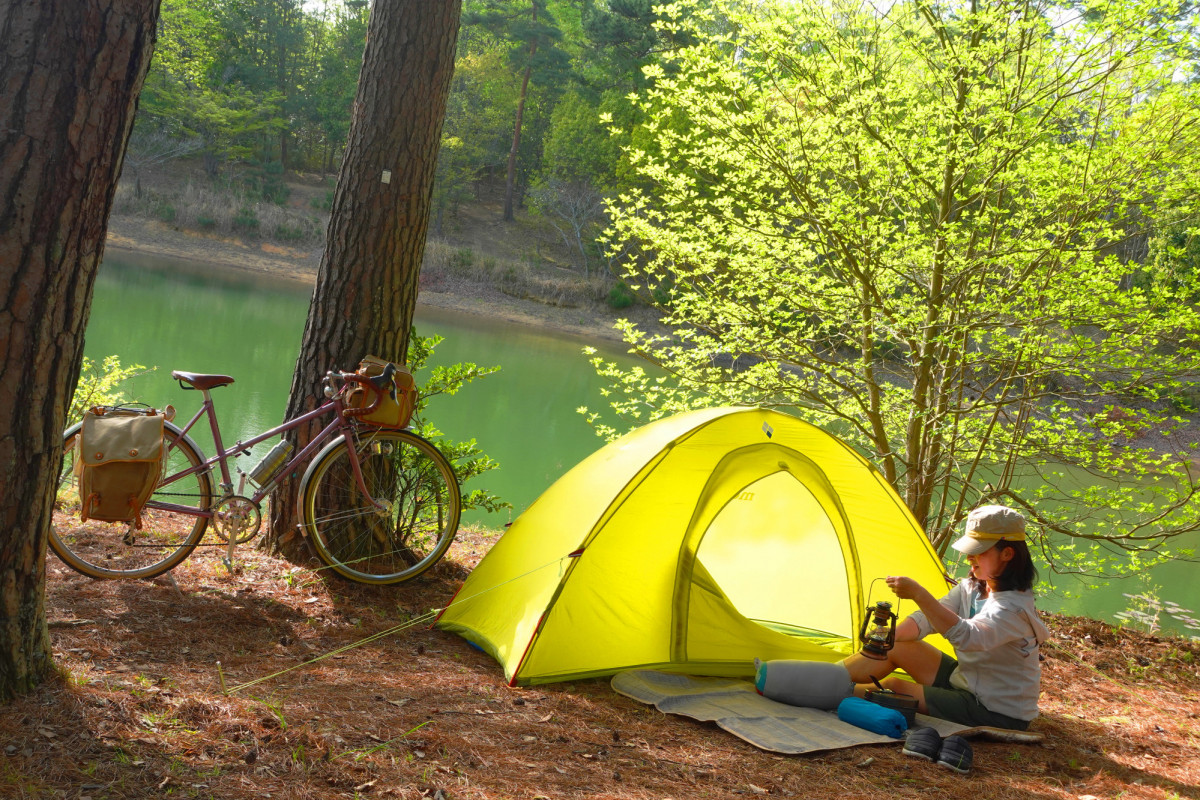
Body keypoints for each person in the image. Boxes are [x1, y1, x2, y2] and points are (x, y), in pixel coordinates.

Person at [841, 504, 1050, 732]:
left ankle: (824, 691)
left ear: (1007, 554)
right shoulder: (973, 587)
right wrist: (890, 635)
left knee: (892, 686)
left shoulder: (1012, 609)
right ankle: (827, 675)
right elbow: (928, 618)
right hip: (966, 681)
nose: (970, 557)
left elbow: (969, 638)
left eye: (979, 550)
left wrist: (919, 594)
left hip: (995, 709)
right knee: (896, 646)